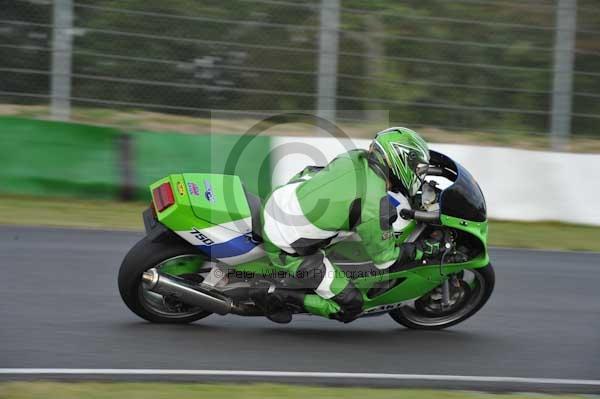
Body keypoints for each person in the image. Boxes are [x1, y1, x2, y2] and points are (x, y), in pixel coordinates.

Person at [252, 127, 443, 323]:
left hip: (280, 199)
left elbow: (313, 171)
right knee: (351, 305)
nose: (418, 173)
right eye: (417, 168)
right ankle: (275, 294)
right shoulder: (372, 206)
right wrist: (420, 250)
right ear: (400, 161)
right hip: (285, 244)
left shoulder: (355, 156)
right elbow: (385, 260)